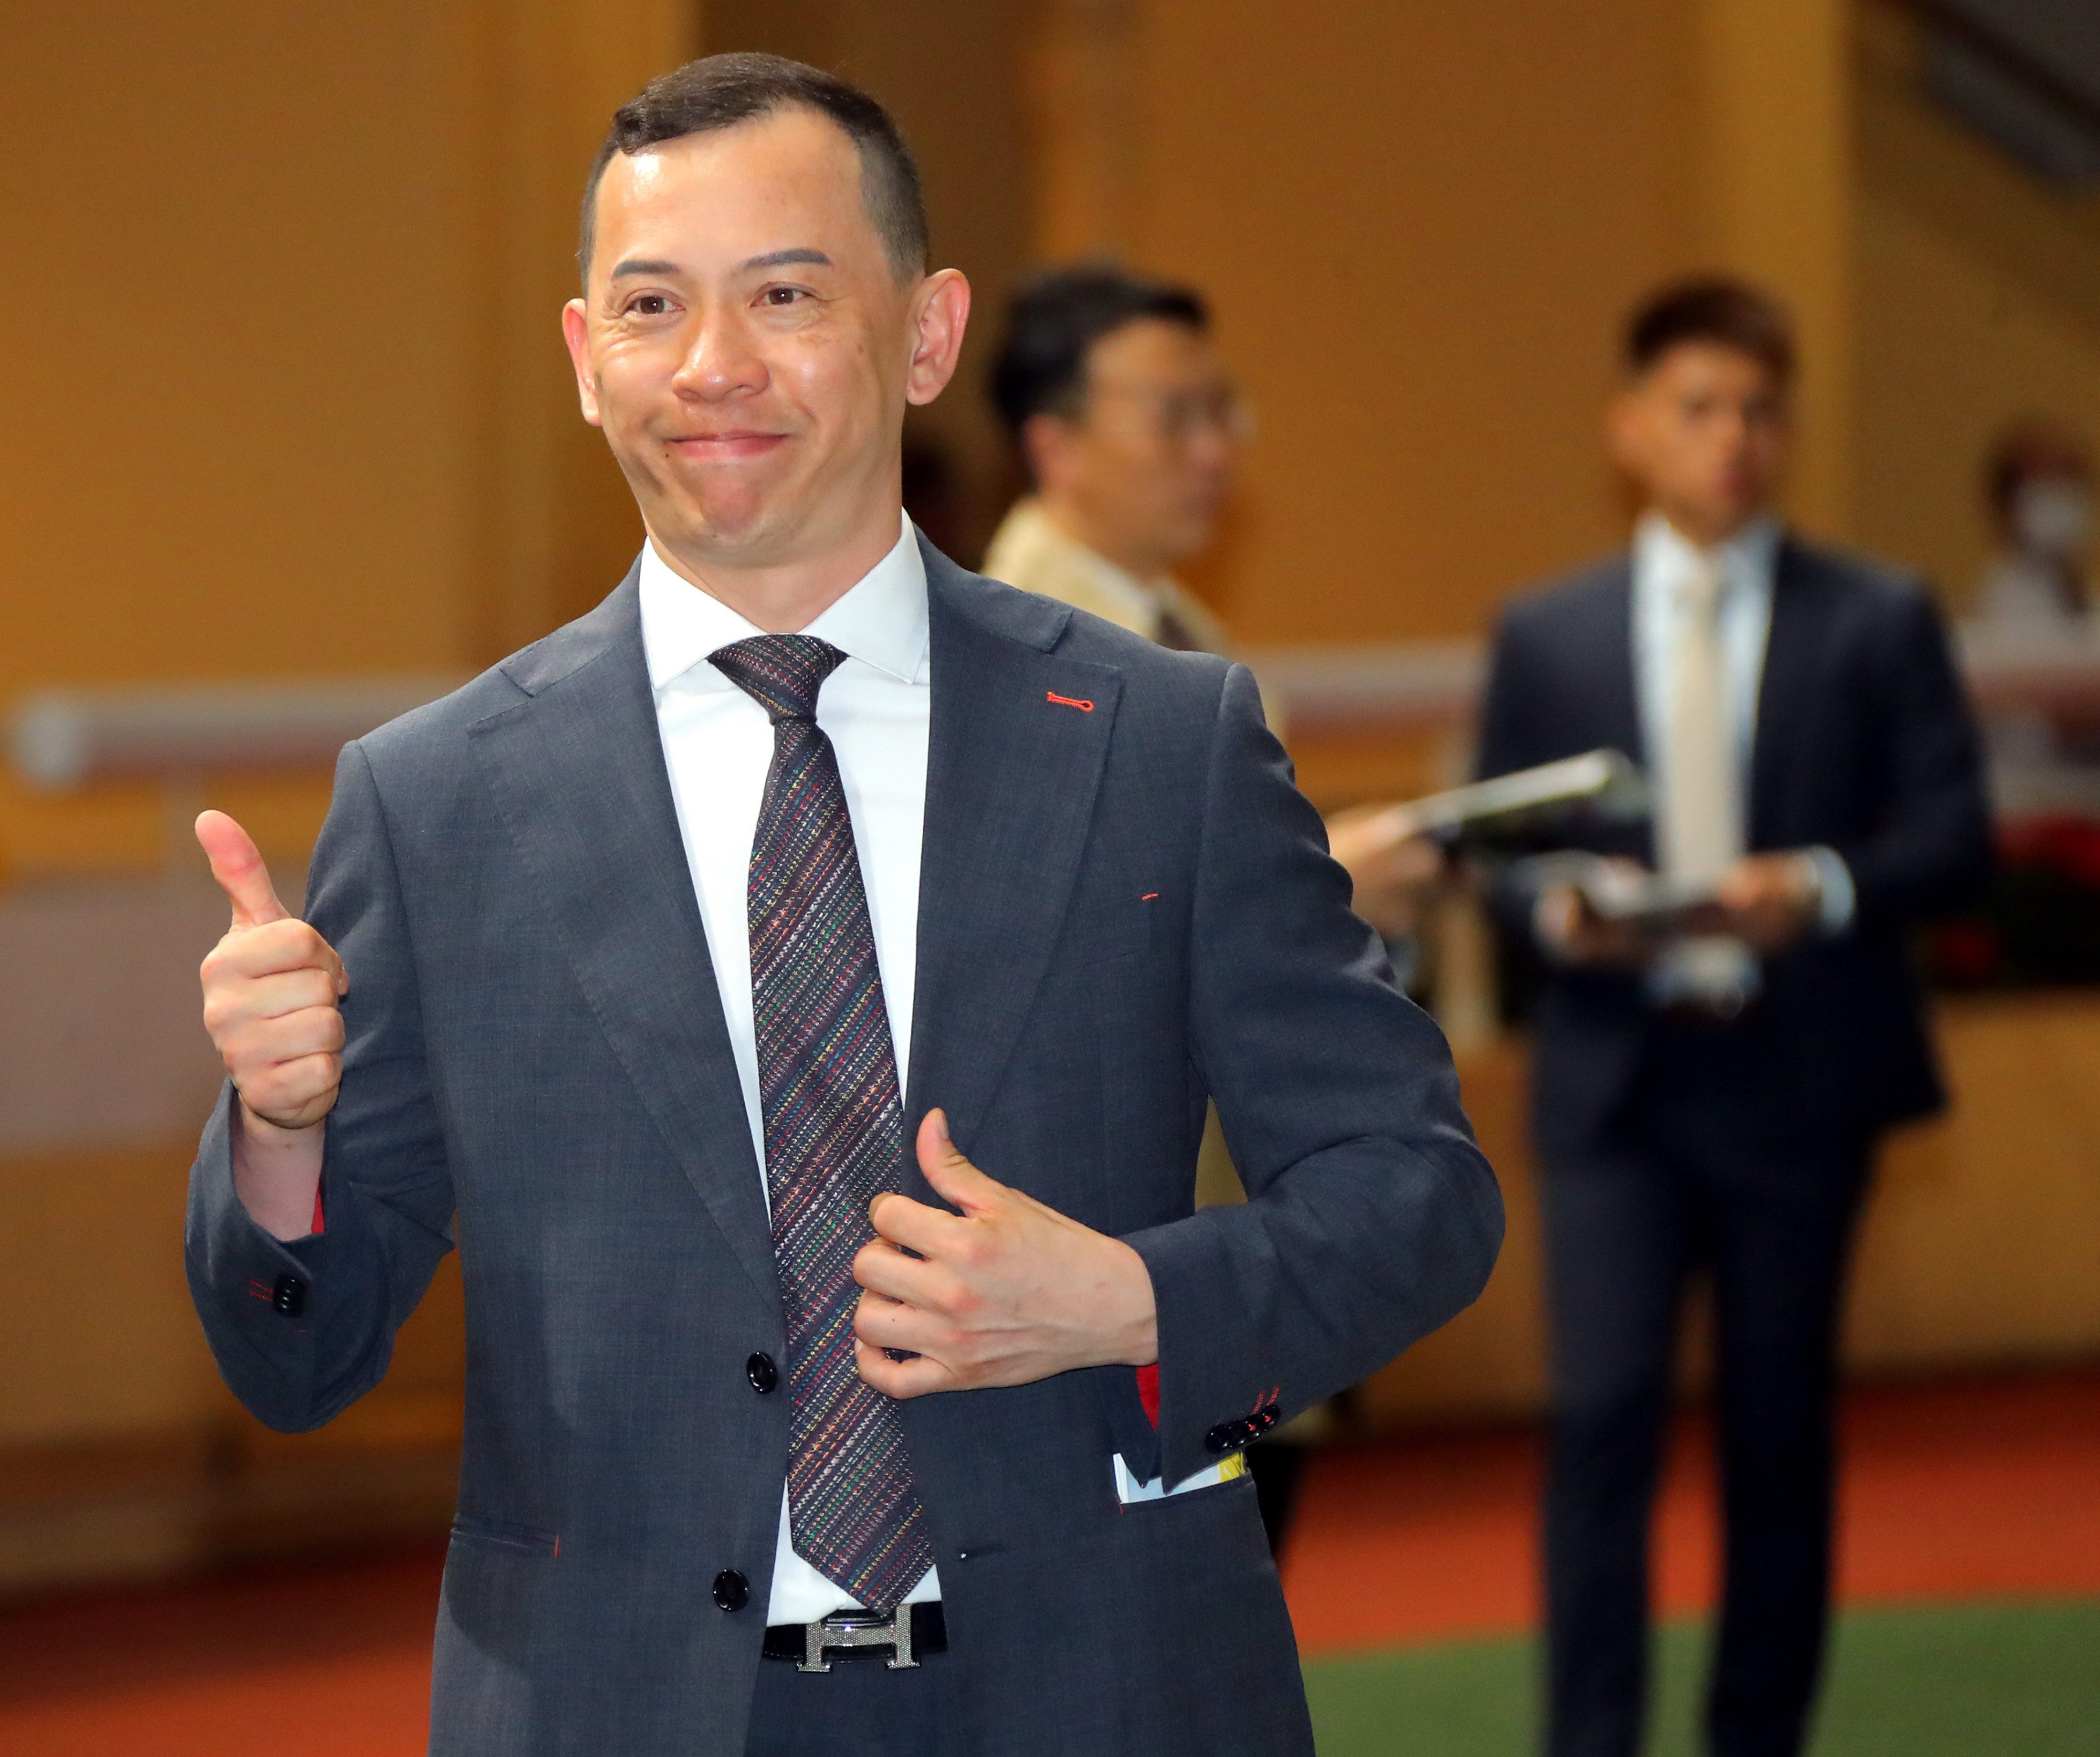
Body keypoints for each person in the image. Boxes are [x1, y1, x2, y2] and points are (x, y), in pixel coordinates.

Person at [187, 54, 1502, 1757]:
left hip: (1100, 1691)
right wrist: (280, 1129)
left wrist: (1127, 1298)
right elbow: (301, 1357)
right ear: (587, 362)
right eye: (651, 304)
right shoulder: (438, 802)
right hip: (620, 1707)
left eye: (786, 293)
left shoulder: (1156, 742)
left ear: (927, 332)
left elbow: (1418, 1194)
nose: (713, 366)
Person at [1474, 276, 1991, 1757]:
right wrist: (1552, 915)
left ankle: (1757, 1737)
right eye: (1701, 408)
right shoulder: (1548, 630)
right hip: (1617, 1090)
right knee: (1602, 1422)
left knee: (1778, 1436)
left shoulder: (1877, 616)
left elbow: (1954, 835)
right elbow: (1499, 862)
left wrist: (1821, 885)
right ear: (1632, 430)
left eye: (1763, 409)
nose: (1736, 439)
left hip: (1797, 1080)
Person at [983, 266, 1439, 943]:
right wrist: (1316, 887)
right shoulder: (1015, 649)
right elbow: (1066, 930)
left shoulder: (1183, 627)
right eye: (1174, 419)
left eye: (1221, 411)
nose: (1214, 452)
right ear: (1056, 449)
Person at [1974, 416, 2093, 639]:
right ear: (2006, 509)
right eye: (2044, 491)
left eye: (2068, 486)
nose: (2060, 504)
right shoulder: (2007, 604)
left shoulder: (2080, 596)